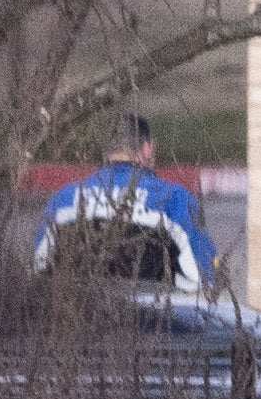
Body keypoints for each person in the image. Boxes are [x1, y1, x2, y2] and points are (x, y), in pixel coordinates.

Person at [34, 113, 216, 291]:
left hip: (78, 312)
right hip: (152, 315)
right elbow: (202, 279)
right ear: (147, 149)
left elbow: (39, 270)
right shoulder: (173, 198)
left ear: (107, 152)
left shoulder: (63, 199)